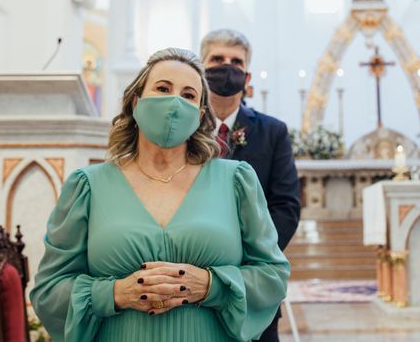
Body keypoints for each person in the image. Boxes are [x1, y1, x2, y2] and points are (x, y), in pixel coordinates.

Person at [30, 48, 289, 342]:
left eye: (189, 95)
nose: (175, 102)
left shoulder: (236, 180)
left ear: (201, 114)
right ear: (137, 101)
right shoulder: (88, 186)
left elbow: (272, 275)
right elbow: (49, 290)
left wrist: (210, 285)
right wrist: (115, 293)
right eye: (163, 88)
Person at [200, 29, 300, 342]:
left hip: (253, 282)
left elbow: (286, 206)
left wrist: (250, 255)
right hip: (192, 277)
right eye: (217, 59)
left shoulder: (273, 132)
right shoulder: (182, 128)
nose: (226, 67)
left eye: (236, 62)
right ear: (201, 70)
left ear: (247, 75)